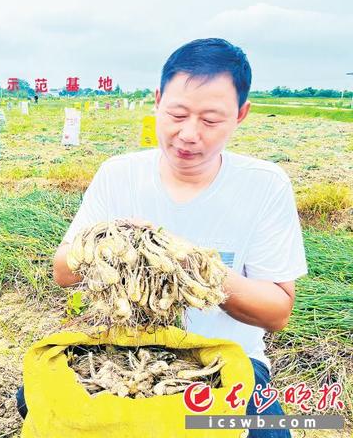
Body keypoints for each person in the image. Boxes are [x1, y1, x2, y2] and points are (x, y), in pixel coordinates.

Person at [17, 38, 307, 438]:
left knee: (269, 433)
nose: (189, 134)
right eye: (177, 114)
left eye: (210, 120)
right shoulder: (118, 174)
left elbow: (276, 314)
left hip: (221, 358)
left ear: (241, 115)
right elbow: (63, 271)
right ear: (157, 101)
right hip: (124, 346)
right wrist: (111, 244)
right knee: (32, 398)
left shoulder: (265, 185)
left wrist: (191, 266)